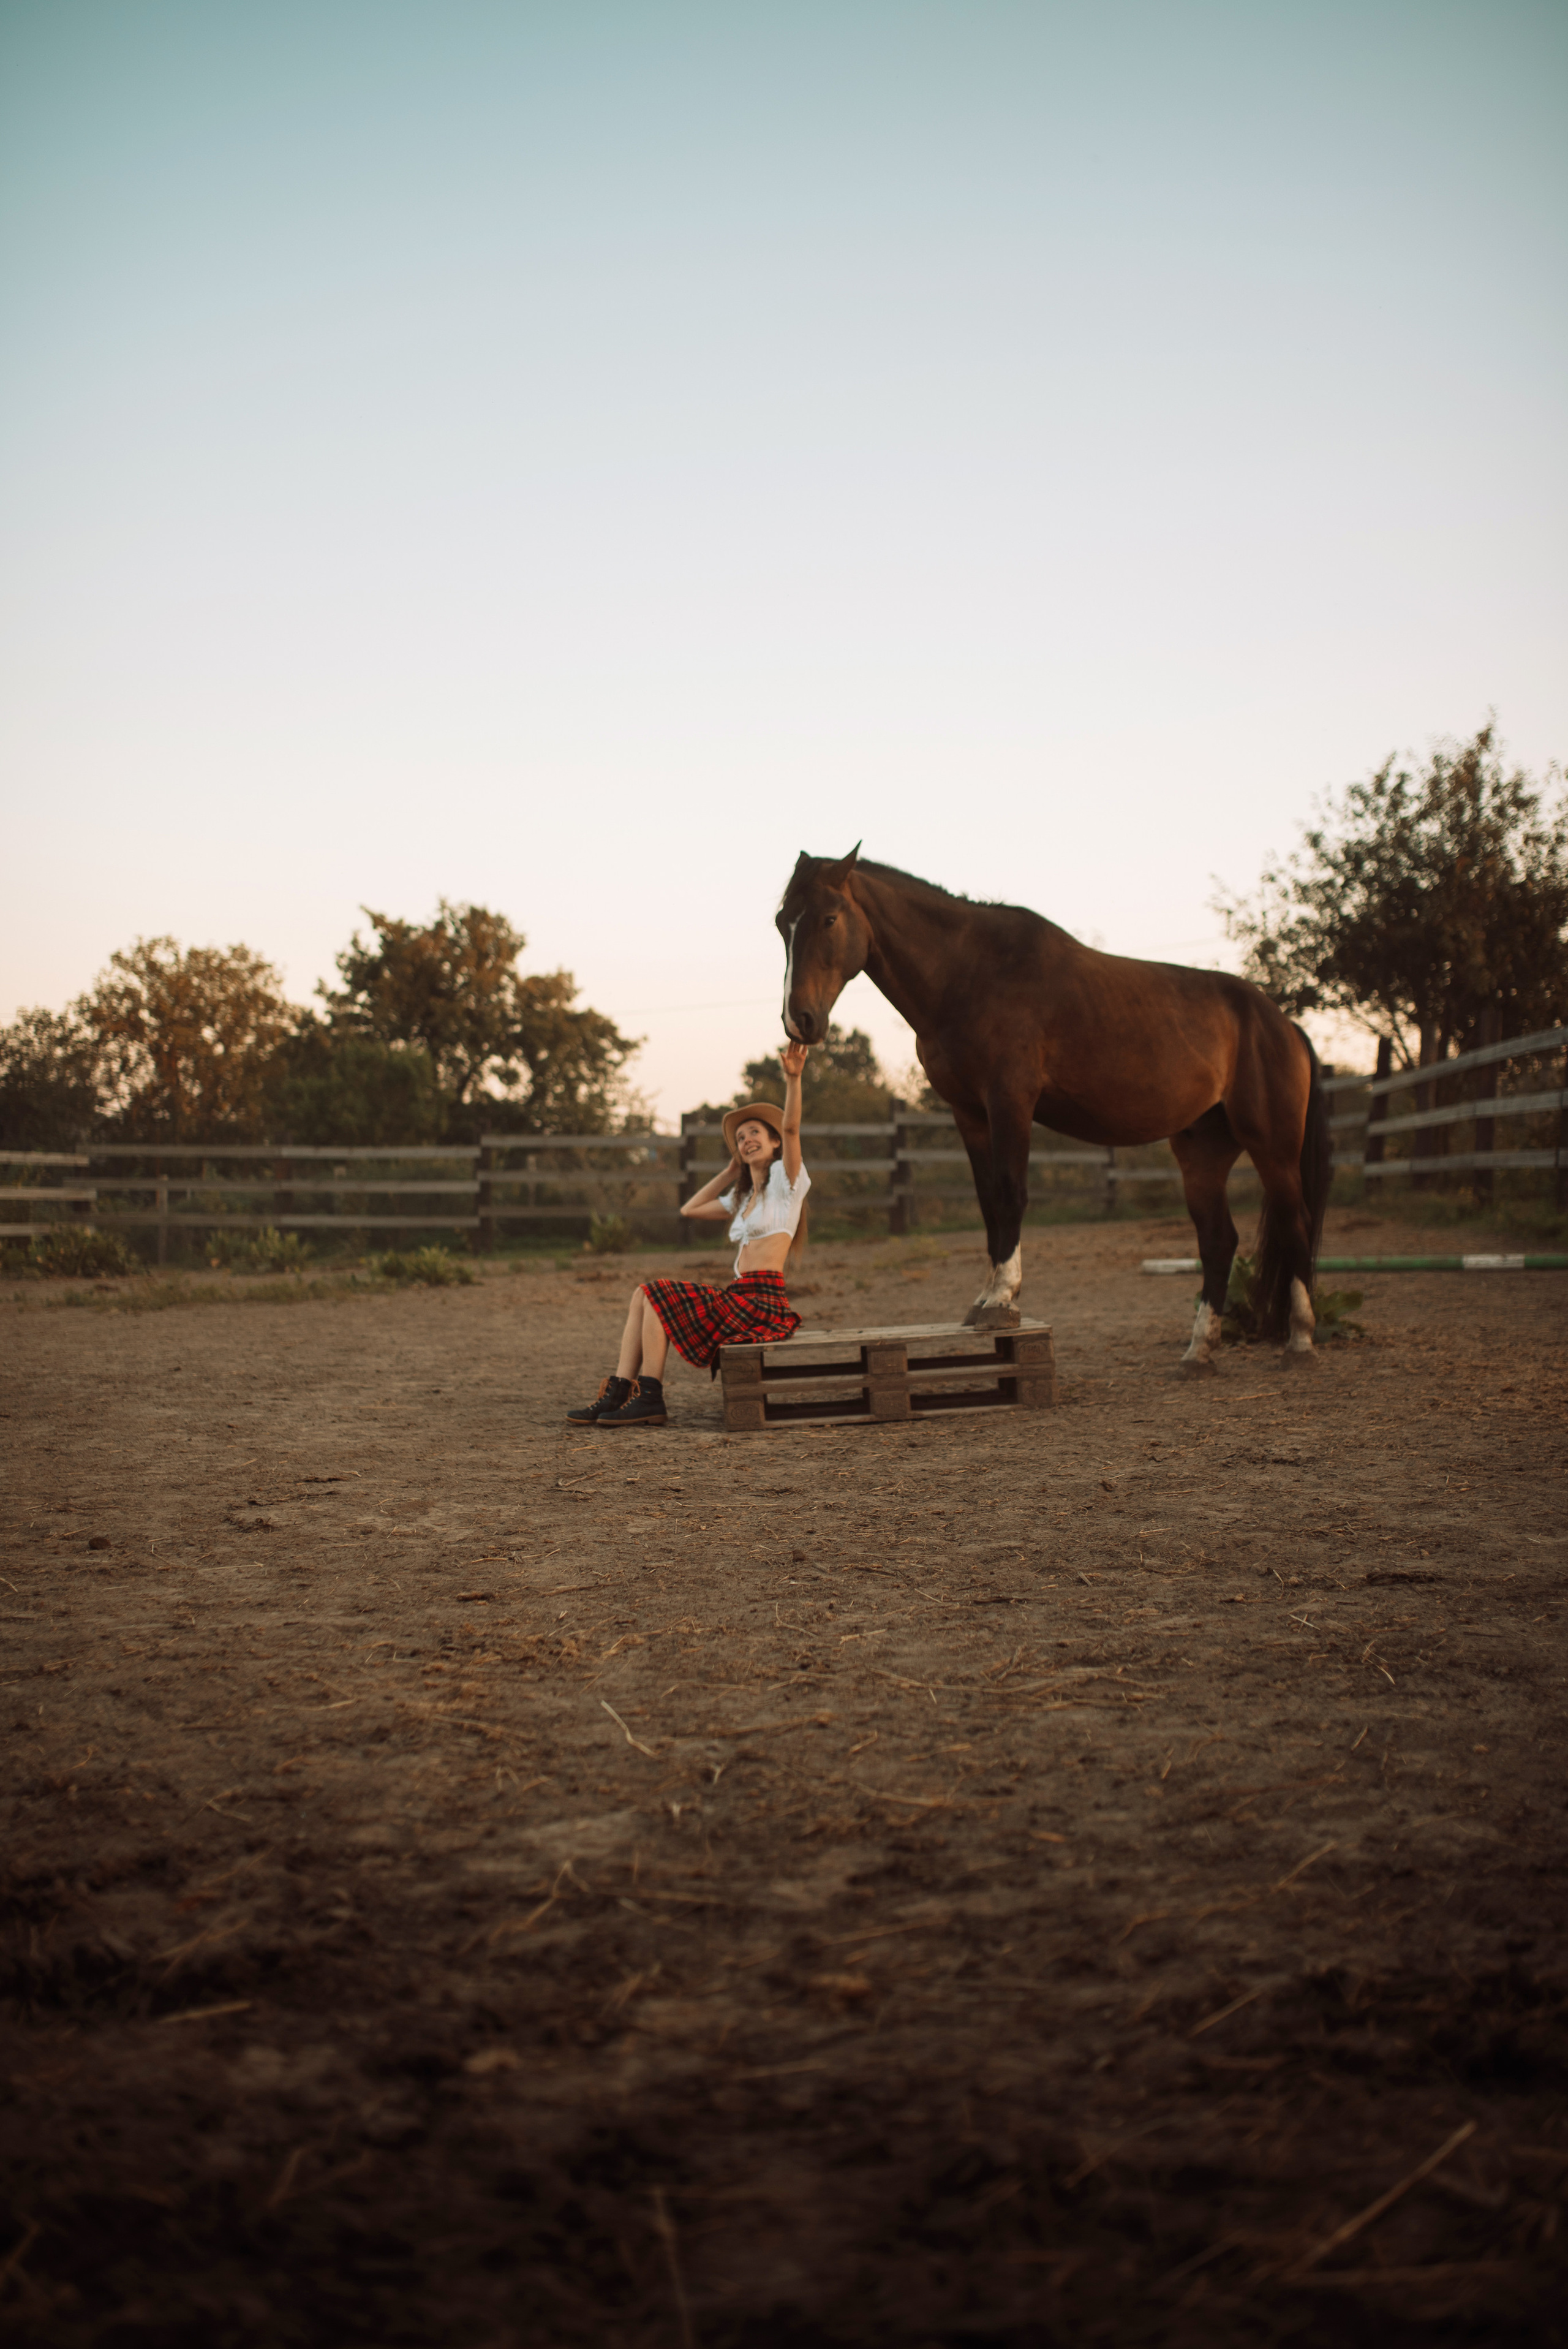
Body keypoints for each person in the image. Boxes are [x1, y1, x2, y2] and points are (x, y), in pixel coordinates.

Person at [567, 1041, 812, 1428]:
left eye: (755, 1134)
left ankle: (649, 1397)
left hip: (763, 1304)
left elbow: (793, 1126)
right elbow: (691, 1209)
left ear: (775, 1142)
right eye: (742, 1137)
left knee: (654, 1292)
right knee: (642, 1295)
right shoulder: (744, 1196)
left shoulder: (788, 1182)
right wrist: (732, 1172)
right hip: (740, 1296)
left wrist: (793, 1079)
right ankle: (621, 1392)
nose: (747, 1139)